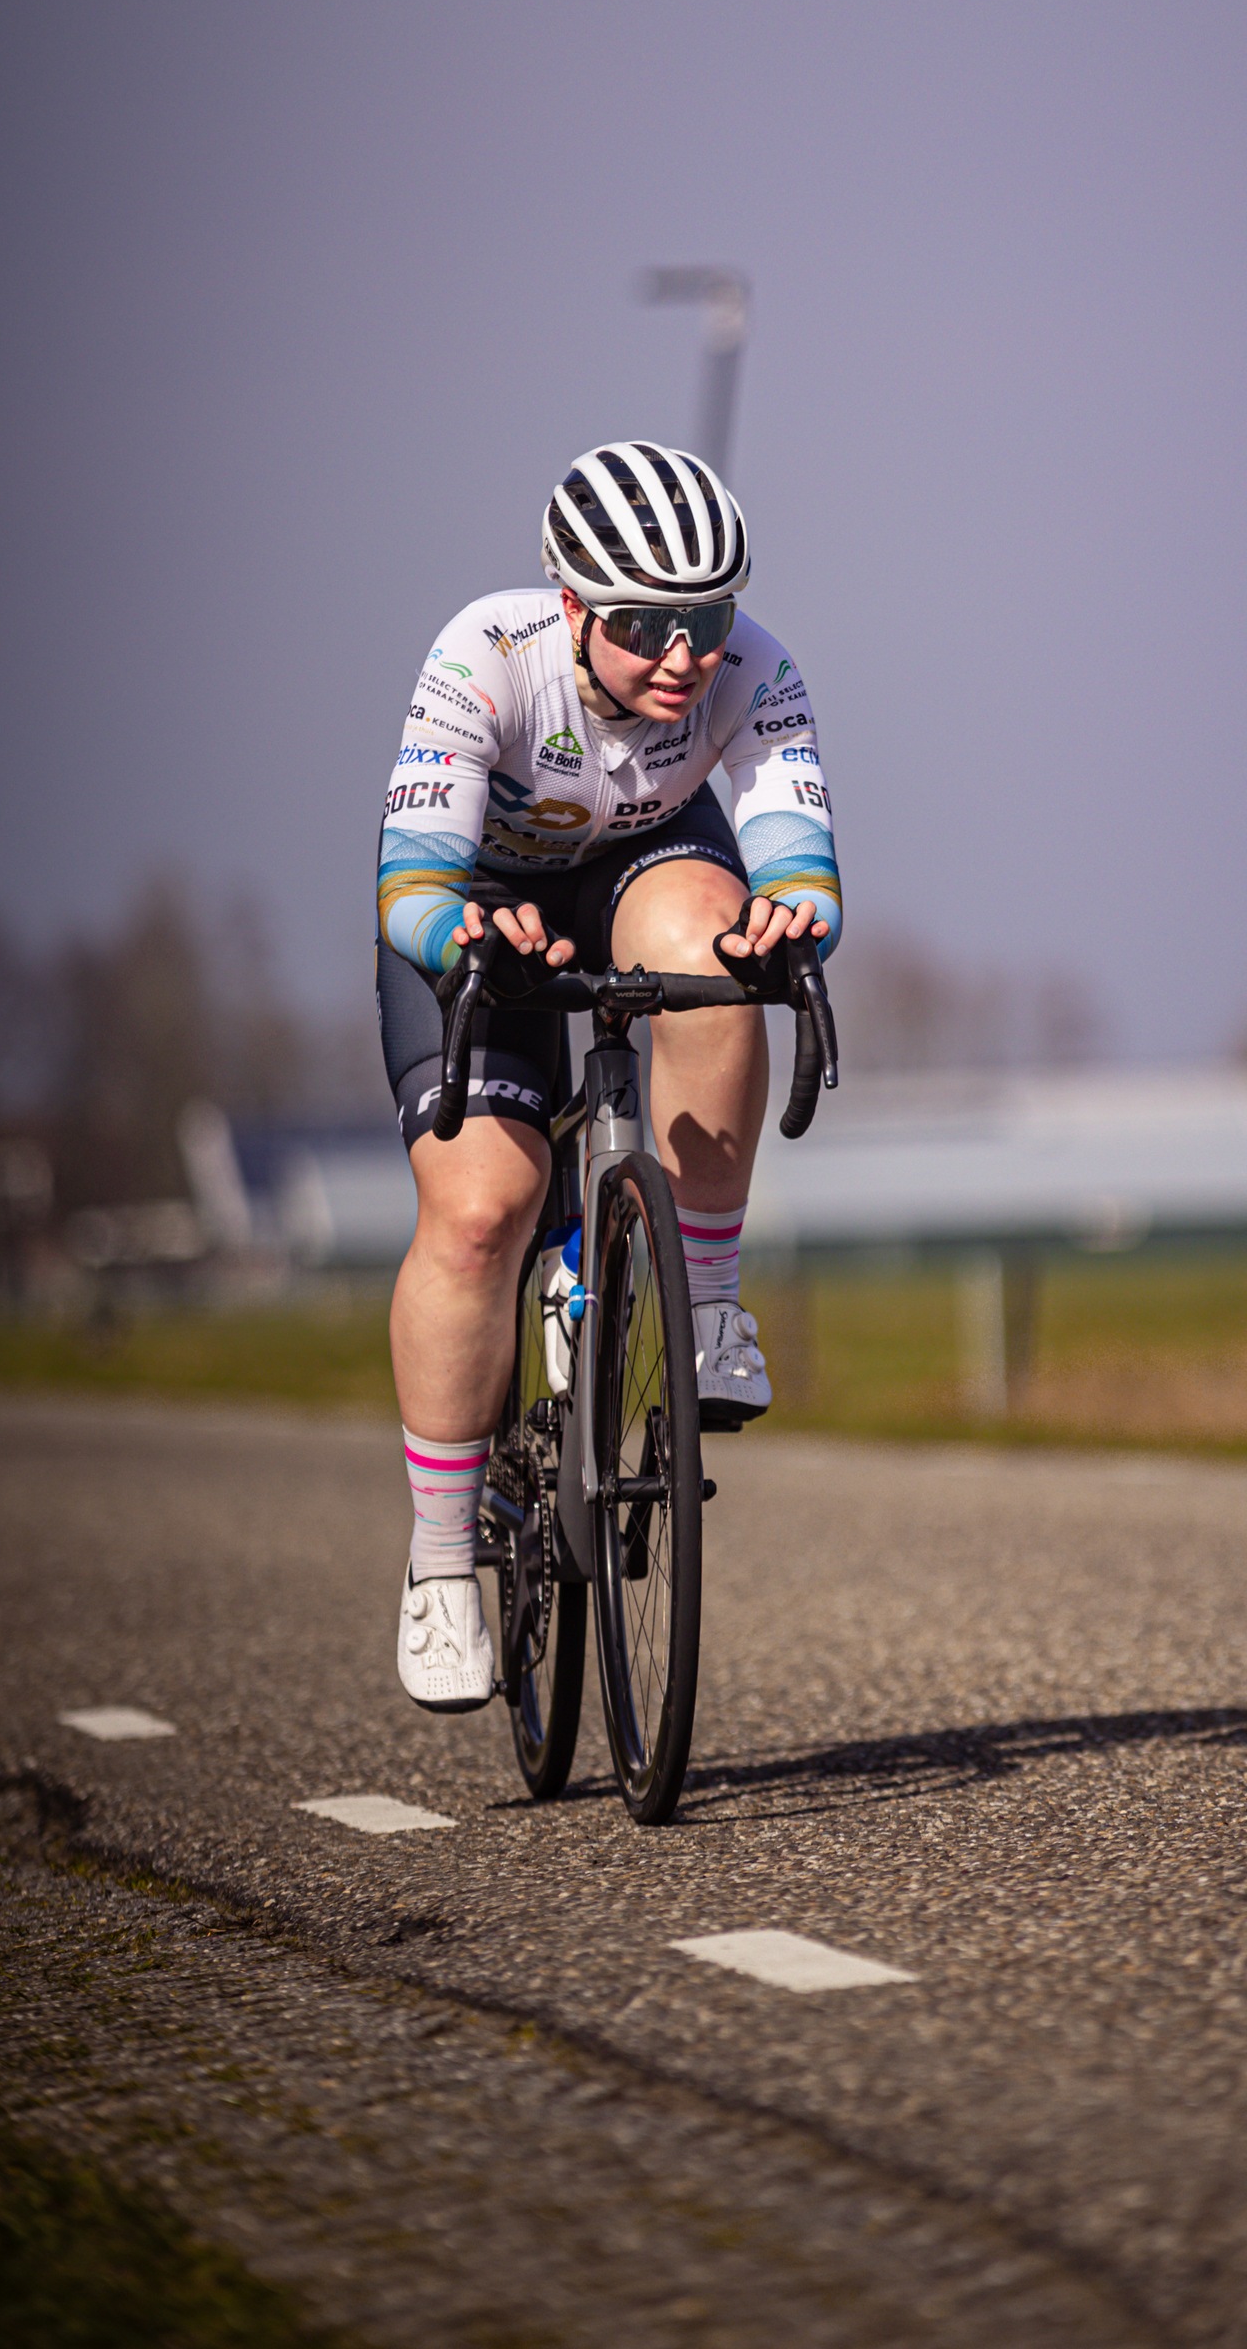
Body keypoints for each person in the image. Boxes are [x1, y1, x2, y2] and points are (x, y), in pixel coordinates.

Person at [375, 441, 840, 1713]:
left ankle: (704, 1303)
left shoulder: (757, 671)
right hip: (485, 910)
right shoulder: (486, 655)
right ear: (571, 607)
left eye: (705, 616)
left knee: (720, 949)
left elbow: (795, 853)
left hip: (646, 875)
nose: (684, 654)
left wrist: (792, 924)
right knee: (479, 1213)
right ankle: (437, 1568)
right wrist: (464, 936)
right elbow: (413, 876)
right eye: (643, 624)